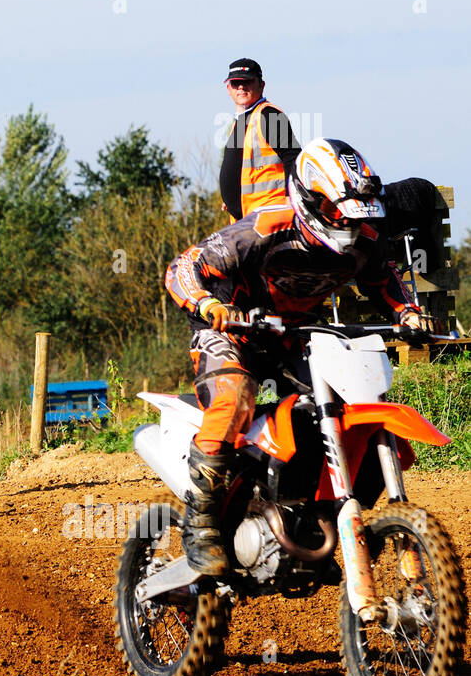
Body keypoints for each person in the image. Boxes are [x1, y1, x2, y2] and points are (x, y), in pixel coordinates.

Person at [164, 138, 430, 576]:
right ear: (311, 199)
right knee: (234, 397)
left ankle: (318, 524)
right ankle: (202, 526)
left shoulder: (364, 237)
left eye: (355, 214)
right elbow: (183, 268)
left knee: (350, 412)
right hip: (233, 331)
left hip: (292, 335)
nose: (348, 224)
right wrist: (208, 306)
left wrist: (408, 312)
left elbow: (384, 279)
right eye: (339, 213)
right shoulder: (264, 229)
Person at [220, 58, 301, 221]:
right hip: (249, 218)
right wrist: (232, 198)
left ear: (261, 85)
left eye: (247, 81)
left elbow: (293, 158)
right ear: (228, 88)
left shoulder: (269, 115)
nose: (241, 87)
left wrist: (290, 199)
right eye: (236, 83)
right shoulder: (242, 120)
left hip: (269, 215)